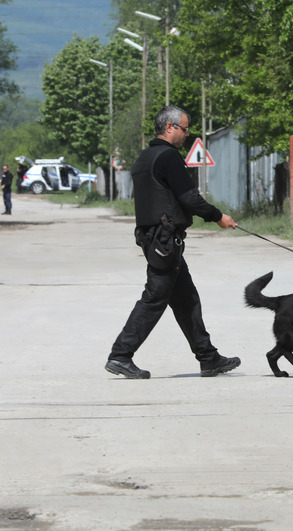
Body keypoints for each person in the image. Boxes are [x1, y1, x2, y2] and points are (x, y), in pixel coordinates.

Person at [105, 105, 241, 379]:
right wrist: (218, 216)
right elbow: (189, 197)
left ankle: (208, 357)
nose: (187, 134)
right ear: (170, 127)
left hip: (154, 238)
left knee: (186, 298)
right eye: (184, 128)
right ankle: (121, 355)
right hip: (165, 240)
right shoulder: (169, 157)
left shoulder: (145, 157)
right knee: (155, 298)